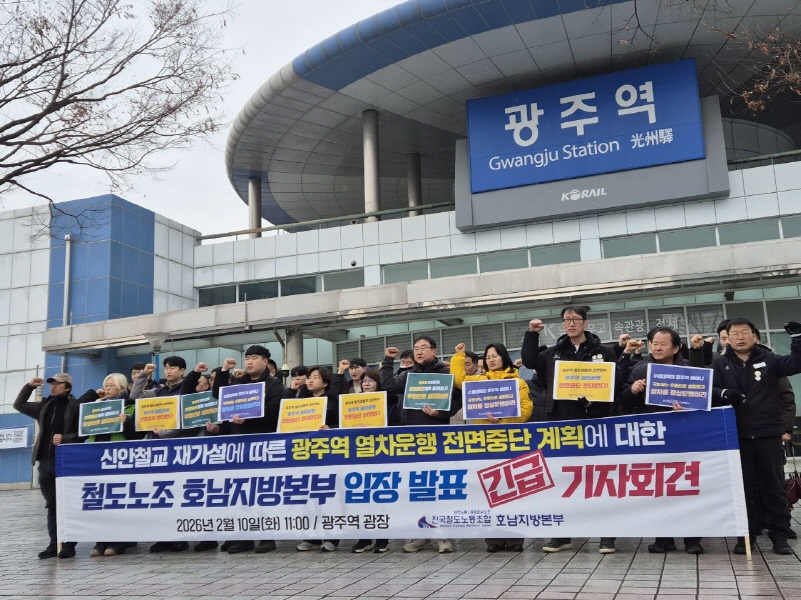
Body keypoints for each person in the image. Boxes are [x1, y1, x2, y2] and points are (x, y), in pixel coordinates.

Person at [521, 306, 620, 554]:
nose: (571, 323)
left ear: (585, 323)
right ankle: (563, 535)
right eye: (567, 320)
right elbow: (530, 361)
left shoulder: (603, 352)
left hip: (594, 422)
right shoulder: (554, 353)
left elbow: (615, 384)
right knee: (564, 481)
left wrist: (595, 399)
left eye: (576, 319)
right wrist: (532, 334)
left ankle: (607, 536)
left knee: (600, 480)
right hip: (563, 424)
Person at [712, 318, 801, 555]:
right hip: (737, 435)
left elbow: (795, 364)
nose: (740, 337)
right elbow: (709, 390)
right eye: (734, 333)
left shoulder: (769, 359)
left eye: (745, 332)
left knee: (774, 488)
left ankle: (779, 536)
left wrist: (797, 339)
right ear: (727, 339)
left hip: (768, 433)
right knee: (744, 489)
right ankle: (746, 537)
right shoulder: (720, 363)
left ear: (754, 336)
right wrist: (724, 393)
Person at [619, 327, 705, 555]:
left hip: (684, 436)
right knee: (658, 488)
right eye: (654, 343)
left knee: (687, 487)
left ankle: (692, 539)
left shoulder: (688, 369)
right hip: (654, 437)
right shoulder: (640, 369)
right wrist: (633, 391)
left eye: (663, 344)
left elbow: (704, 399)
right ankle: (663, 538)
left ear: (676, 348)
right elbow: (623, 404)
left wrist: (688, 406)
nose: (657, 348)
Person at [380, 336, 462, 554]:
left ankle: (443, 535)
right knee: (418, 489)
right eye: (416, 348)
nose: (418, 351)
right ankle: (422, 535)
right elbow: (387, 385)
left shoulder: (445, 373)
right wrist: (388, 360)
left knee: (437, 487)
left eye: (423, 347)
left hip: (436, 438)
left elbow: (458, 399)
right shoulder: (408, 375)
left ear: (434, 351)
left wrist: (440, 413)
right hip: (413, 440)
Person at [451, 342, 533, 552]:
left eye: (495, 356)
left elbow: (526, 410)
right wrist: (459, 356)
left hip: (510, 442)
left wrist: (504, 418)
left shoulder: (517, 382)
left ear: (504, 357)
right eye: (488, 357)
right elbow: (458, 379)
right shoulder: (478, 382)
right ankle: (493, 539)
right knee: (489, 491)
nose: (491, 360)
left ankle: (515, 539)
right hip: (485, 443)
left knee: (513, 491)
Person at [210, 345, 285, 554]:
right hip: (239, 445)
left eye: (254, 358)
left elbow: (274, 411)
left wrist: (248, 418)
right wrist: (224, 371)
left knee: (263, 492)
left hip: (263, 444)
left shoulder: (274, 385)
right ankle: (244, 538)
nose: (249, 362)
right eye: (247, 358)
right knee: (241, 492)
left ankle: (267, 537)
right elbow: (219, 395)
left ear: (265, 362)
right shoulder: (240, 383)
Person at [14, 373, 93, 559]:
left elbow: (84, 434)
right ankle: (54, 543)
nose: (53, 386)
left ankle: (68, 545)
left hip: (66, 461)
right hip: (45, 461)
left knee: (67, 504)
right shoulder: (44, 406)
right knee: (52, 505)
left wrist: (65, 438)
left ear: (68, 387)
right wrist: (29, 386)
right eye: (52, 383)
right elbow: (19, 405)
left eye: (58, 384)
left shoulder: (76, 406)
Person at [129, 356, 190, 553]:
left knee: (178, 493)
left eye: (173, 368)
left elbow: (187, 418)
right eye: (166, 368)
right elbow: (135, 396)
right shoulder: (158, 391)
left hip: (178, 448)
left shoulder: (186, 390)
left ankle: (181, 538)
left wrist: (165, 432)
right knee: (160, 494)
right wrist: (144, 374)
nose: (168, 371)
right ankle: (163, 537)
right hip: (156, 449)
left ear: (182, 370)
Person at [82, 373, 138, 557]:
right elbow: (82, 427)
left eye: (111, 385)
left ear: (121, 388)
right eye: (105, 385)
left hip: (119, 458)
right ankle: (101, 540)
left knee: (118, 501)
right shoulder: (96, 406)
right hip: (97, 456)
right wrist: (94, 404)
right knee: (100, 501)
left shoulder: (130, 406)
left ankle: (119, 541)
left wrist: (126, 422)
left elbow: (137, 436)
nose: (107, 388)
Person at [296, 366, 341, 552]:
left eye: (315, 377)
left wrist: (331, 428)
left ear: (325, 382)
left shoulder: (333, 401)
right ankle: (312, 537)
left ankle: (332, 537)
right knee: (309, 495)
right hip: (306, 453)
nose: (310, 380)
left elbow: (343, 422)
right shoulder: (301, 401)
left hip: (328, 452)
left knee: (329, 494)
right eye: (309, 377)